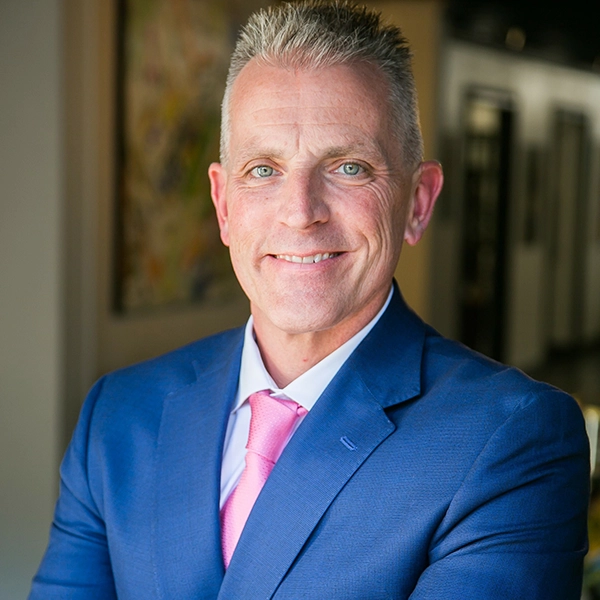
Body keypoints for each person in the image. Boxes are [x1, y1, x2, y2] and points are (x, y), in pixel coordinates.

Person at [30, 1, 589, 598]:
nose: (300, 212)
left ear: (419, 202)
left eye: (348, 167)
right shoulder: (119, 416)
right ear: (223, 205)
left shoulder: (510, 440)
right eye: (264, 170)